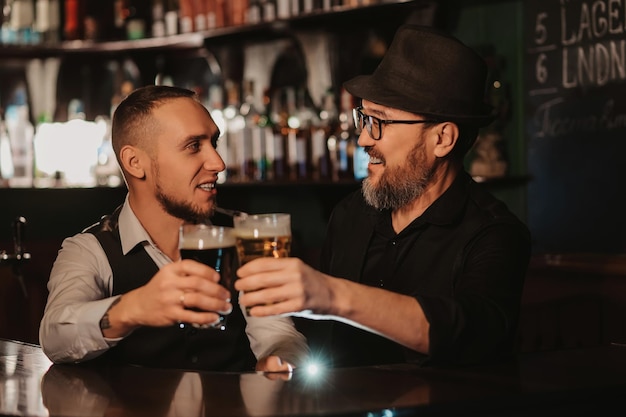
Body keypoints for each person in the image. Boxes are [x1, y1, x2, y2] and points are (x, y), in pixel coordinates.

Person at [234, 24, 531, 368]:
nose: (363, 140)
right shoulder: (350, 214)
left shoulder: (494, 233)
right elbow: (325, 344)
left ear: (443, 139)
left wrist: (331, 295)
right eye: (364, 118)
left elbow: (471, 332)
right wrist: (287, 357)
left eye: (381, 122)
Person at [39, 85, 308, 372]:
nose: (218, 163)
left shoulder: (246, 232)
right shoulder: (90, 249)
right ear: (135, 162)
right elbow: (55, 336)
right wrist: (136, 307)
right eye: (193, 146)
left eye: (213, 143)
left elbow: (279, 333)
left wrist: (280, 360)